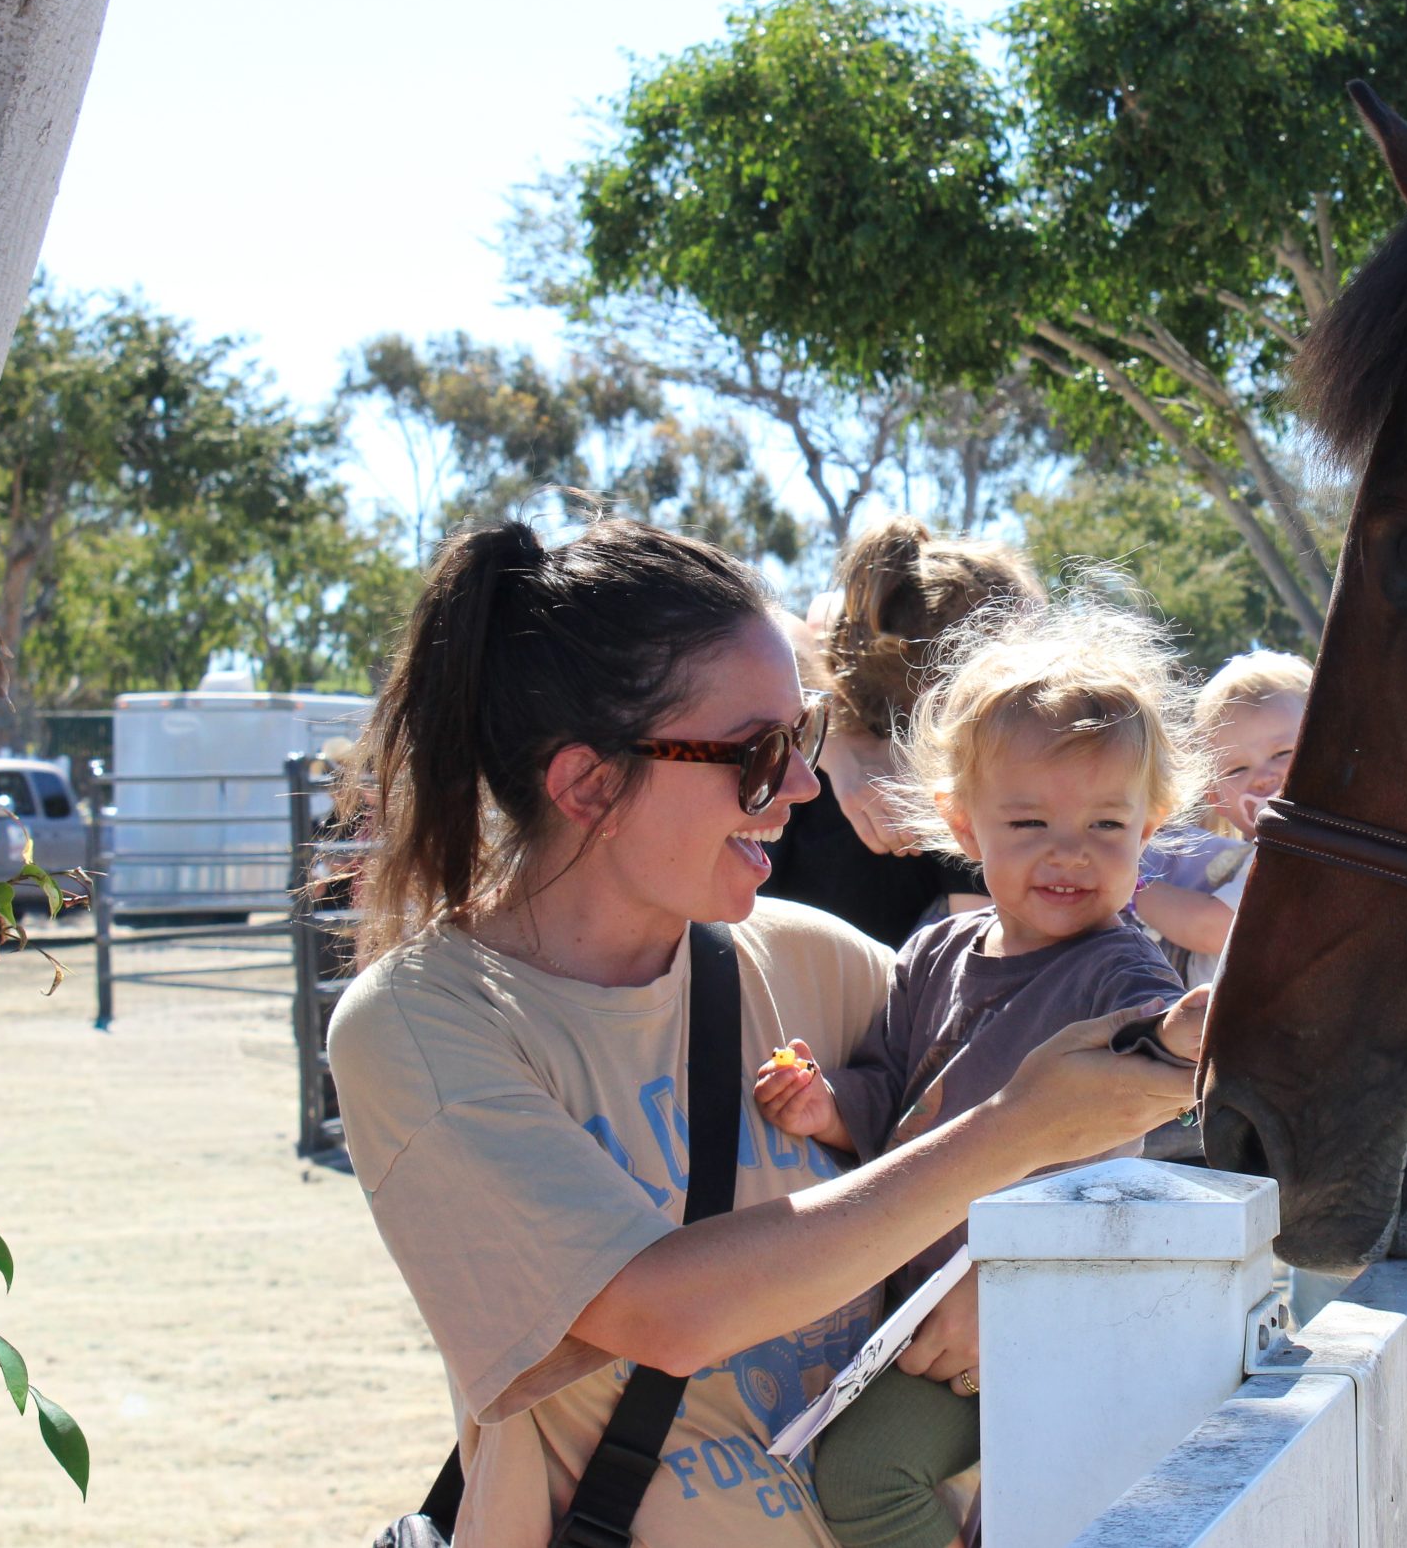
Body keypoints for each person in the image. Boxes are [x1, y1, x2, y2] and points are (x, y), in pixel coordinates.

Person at [325, 511, 1194, 1548]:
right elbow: (662, 1310)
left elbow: (1061, 1059)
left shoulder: (811, 959)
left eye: (806, 736)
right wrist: (1010, 1132)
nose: (801, 786)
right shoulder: (421, 1027)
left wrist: (1017, 1293)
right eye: (756, 753)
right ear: (588, 783)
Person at [752, 597, 1211, 1548]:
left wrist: (999, 1281)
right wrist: (827, 1103)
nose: (1070, 852)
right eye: (1031, 820)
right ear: (965, 822)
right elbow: (890, 1090)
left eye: (1107, 824)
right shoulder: (935, 952)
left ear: (1151, 826)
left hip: (1041, 1310)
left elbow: (1128, 1109)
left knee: (870, 1476)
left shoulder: (1122, 974)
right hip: (916, 1296)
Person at [759, 517, 1040, 948]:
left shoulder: (799, 755)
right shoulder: (961, 795)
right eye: (1028, 659)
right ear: (954, 673)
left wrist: (837, 741)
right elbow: (986, 961)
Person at [1131, 649, 1312, 984]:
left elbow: (1210, 927)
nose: (1263, 777)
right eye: (1237, 768)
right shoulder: (1257, 855)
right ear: (1214, 796)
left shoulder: (1299, 858)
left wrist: (1128, 888)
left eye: (1283, 753)